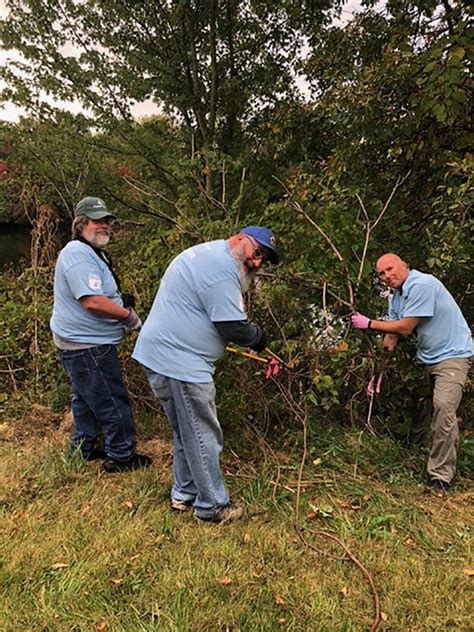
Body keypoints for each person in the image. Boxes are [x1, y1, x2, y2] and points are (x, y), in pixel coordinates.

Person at [133, 226, 279, 523]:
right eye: (258, 252)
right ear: (241, 239)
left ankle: (183, 494)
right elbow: (232, 326)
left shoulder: (212, 254)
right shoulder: (222, 267)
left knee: (187, 429)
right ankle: (212, 506)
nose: (258, 261)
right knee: (202, 433)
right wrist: (258, 338)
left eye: (264, 257)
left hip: (165, 355)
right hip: (179, 361)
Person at [351, 253, 472, 494]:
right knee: (423, 406)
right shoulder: (396, 296)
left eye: (390, 269)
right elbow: (392, 336)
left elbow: (405, 327)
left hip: (454, 355)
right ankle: (416, 450)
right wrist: (379, 373)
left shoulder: (422, 284)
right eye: (382, 273)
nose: (387, 276)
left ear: (404, 266)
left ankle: (441, 477)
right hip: (428, 357)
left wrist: (370, 323)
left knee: (443, 406)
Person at [50, 196, 152, 473]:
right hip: (87, 345)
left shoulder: (92, 251)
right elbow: (92, 301)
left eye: (108, 220)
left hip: (82, 341)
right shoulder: (77, 254)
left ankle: (83, 448)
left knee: (85, 396)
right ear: (81, 224)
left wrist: (120, 302)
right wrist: (129, 317)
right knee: (109, 398)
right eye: (99, 221)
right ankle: (121, 457)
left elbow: (100, 293)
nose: (105, 225)